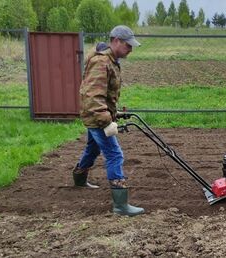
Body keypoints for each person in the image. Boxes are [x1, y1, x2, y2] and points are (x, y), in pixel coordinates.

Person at [72, 25, 143, 216]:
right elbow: (93, 96)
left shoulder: (111, 60)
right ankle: (120, 205)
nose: (131, 49)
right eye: (128, 45)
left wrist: (115, 113)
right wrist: (106, 120)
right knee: (115, 155)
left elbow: (105, 94)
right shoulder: (102, 62)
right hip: (97, 118)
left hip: (96, 116)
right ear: (116, 41)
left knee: (93, 148)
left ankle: (79, 179)